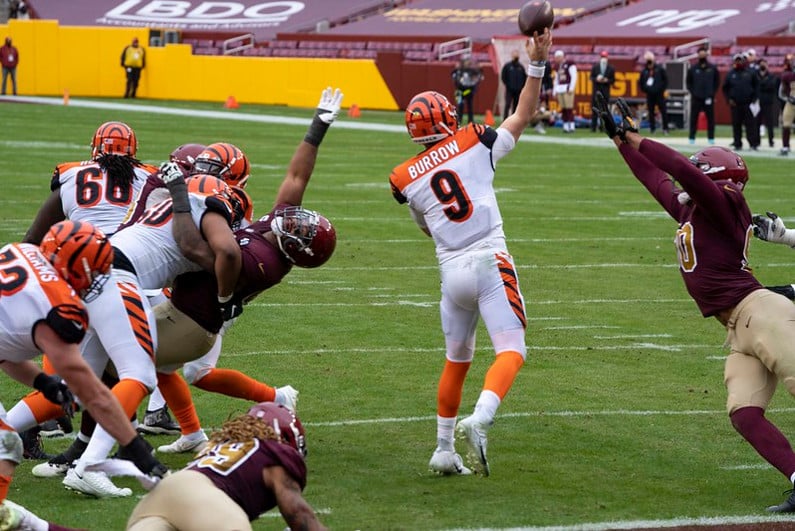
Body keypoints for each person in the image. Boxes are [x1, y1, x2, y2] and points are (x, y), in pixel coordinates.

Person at [593, 93, 795, 514]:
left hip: (762, 313)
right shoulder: (694, 214)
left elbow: (681, 170)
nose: (691, 178)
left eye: (703, 170)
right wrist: (621, 143)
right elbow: (657, 180)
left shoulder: (725, 206)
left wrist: (637, 137)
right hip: (738, 326)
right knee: (744, 413)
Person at [390, 29, 551, 477]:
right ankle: (480, 419)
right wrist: (536, 63)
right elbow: (523, 113)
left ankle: (443, 449)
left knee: (456, 361)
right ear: (449, 117)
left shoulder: (404, 178)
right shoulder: (475, 140)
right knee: (512, 350)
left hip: (450, 272)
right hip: (488, 260)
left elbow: (426, 226)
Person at [0, 220, 168, 506]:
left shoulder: (19, 251)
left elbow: (6, 349)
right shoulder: (60, 308)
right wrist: (136, 447)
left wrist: (43, 382)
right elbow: (94, 394)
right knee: (6, 446)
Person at [126, 402, 326, 531]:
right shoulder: (274, 454)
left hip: (164, 491)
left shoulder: (220, 444)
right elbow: (298, 512)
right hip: (205, 498)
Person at [722, 53, 760, 151]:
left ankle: (753, 143)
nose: (739, 62)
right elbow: (725, 88)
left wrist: (754, 99)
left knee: (750, 125)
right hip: (735, 104)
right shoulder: (731, 74)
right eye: (737, 60)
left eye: (740, 60)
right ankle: (737, 143)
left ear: (744, 61)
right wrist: (728, 99)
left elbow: (757, 86)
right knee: (736, 124)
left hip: (748, 103)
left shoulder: (750, 73)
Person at [686, 46, 720, 145]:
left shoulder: (712, 68)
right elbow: (688, 83)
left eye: (704, 53)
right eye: (700, 53)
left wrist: (712, 93)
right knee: (694, 118)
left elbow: (717, 82)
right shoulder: (693, 68)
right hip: (696, 98)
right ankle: (691, 138)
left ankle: (711, 138)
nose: (702, 55)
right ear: (698, 55)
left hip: (709, 98)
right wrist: (693, 92)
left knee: (710, 119)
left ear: (706, 54)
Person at [639, 51, 669, 135]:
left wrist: (661, 89)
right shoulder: (644, 71)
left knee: (663, 111)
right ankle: (652, 128)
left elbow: (665, 80)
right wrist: (645, 89)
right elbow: (641, 83)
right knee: (651, 112)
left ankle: (665, 128)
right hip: (650, 95)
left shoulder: (660, 69)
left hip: (659, 94)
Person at [757, 58, 780, 149]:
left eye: (764, 64)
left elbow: (772, 86)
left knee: (770, 123)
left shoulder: (772, 76)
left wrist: (762, 84)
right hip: (758, 102)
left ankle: (771, 141)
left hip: (768, 102)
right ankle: (757, 141)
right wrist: (764, 84)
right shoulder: (755, 75)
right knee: (757, 123)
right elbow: (756, 86)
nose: (763, 66)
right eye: (761, 64)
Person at [451, 57, 482, 125]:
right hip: (459, 91)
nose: (467, 63)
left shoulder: (471, 70)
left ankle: (470, 121)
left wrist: (480, 69)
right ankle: (459, 120)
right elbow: (453, 75)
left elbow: (478, 76)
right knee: (460, 106)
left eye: (468, 62)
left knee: (470, 106)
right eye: (466, 62)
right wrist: (456, 69)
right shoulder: (459, 70)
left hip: (468, 91)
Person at [590, 50, 615, 133]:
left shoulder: (611, 68)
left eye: (605, 57)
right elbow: (591, 78)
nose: (604, 59)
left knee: (604, 111)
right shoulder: (595, 67)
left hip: (605, 91)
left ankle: (603, 127)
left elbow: (613, 80)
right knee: (594, 110)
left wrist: (606, 80)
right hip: (596, 91)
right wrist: (596, 79)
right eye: (602, 57)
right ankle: (593, 127)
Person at [552, 49, 576, 133]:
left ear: (562, 56)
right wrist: (554, 91)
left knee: (569, 108)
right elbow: (556, 80)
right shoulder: (557, 67)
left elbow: (574, 76)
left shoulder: (569, 64)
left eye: (558, 57)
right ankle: (565, 126)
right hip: (560, 88)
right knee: (564, 109)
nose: (557, 59)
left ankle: (572, 126)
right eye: (556, 57)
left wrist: (571, 88)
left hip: (567, 88)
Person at [501, 49, 526, 119]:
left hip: (518, 90)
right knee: (508, 104)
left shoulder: (521, 67)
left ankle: (513, 120)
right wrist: (508, 85)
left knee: (516, 106)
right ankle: (505, 119)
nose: (516, 55)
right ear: (512, 55)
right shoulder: (507, 66)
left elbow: (524, 78)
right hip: (509, 90)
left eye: (517, 54)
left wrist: (521, 87)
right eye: (514, 54)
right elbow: (503, 77)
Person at [779, 54, 795, 156]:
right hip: (791, 103)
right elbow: (781, 92)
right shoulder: (787, 76)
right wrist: (788, 98)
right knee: (786, 124)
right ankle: (785, 146)